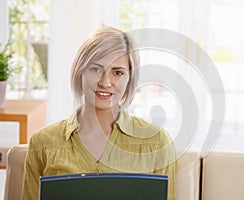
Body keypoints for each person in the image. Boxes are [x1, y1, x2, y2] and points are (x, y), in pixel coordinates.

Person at [21, 26, 177, 200]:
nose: (105, 82)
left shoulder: (157, 143)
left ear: (130, 79)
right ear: (80, 72)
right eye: (96, 69)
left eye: (117, 72)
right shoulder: (42, 143)